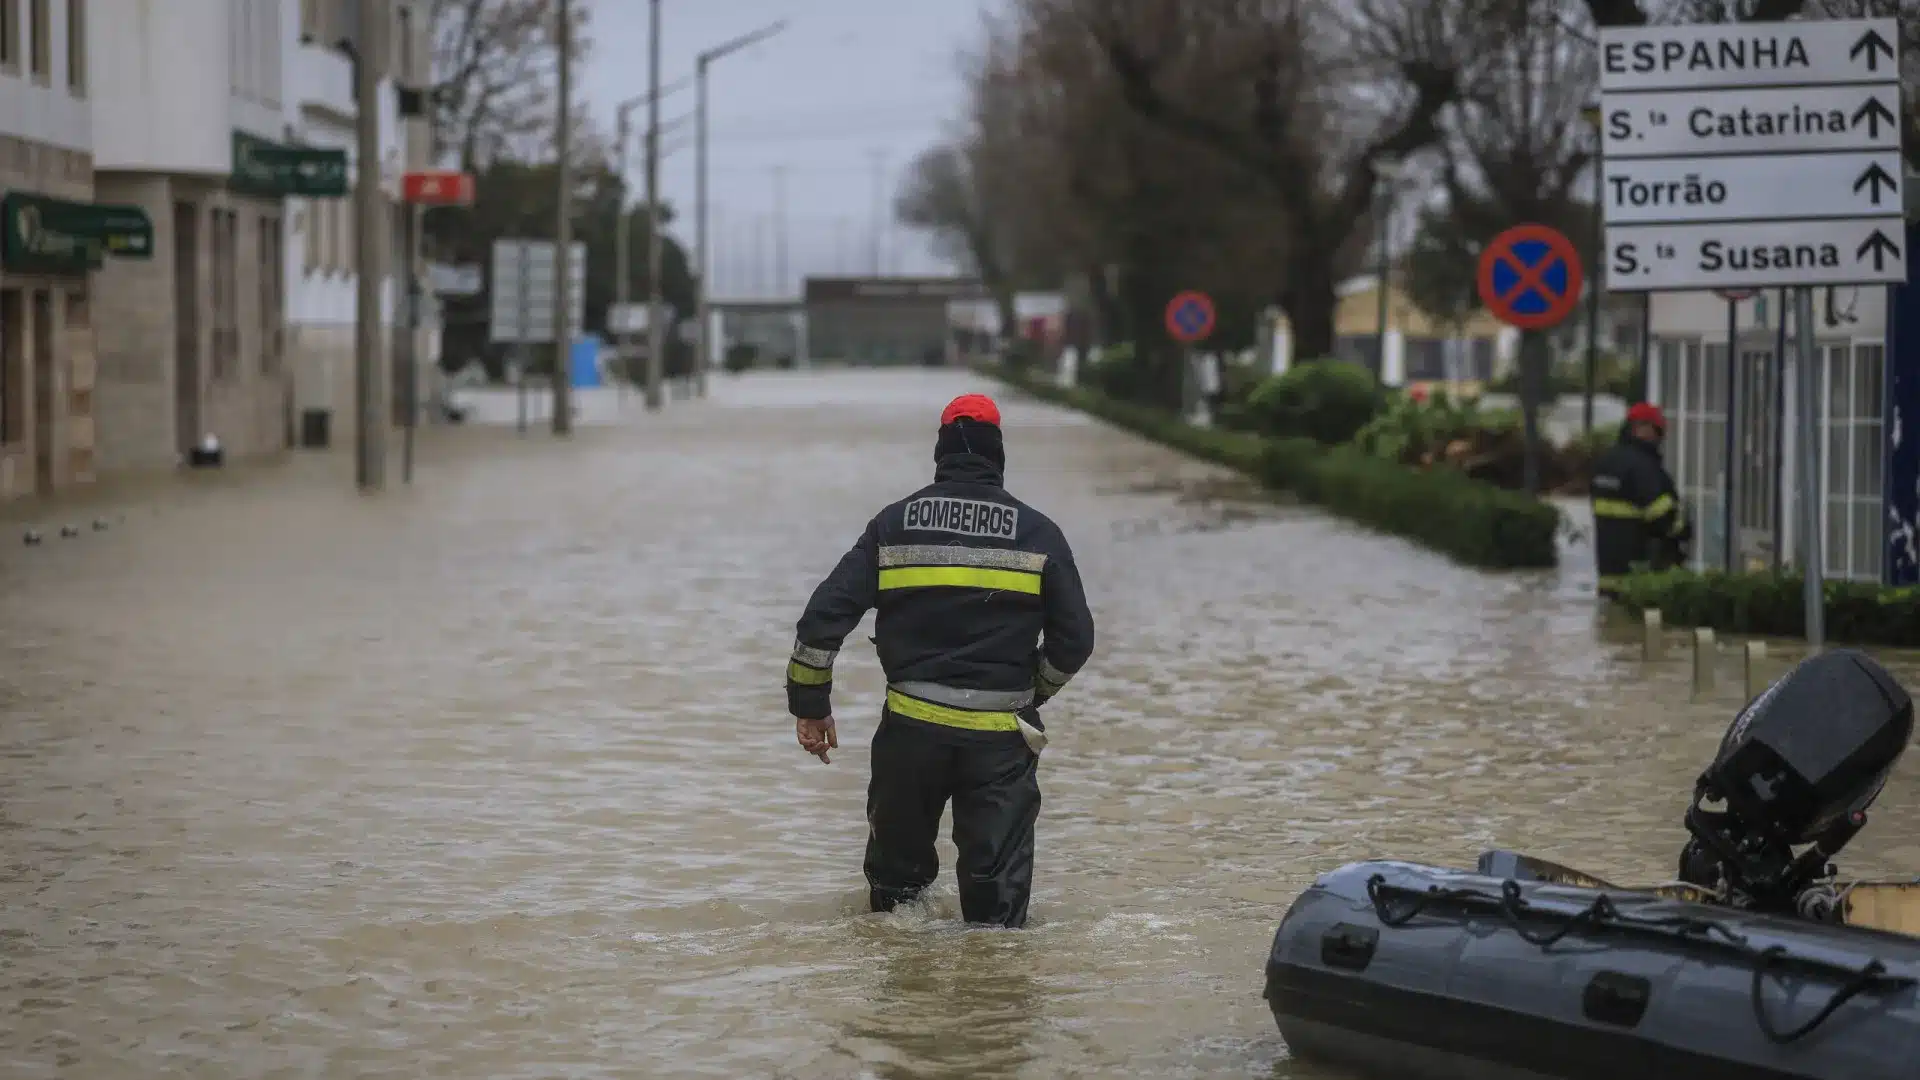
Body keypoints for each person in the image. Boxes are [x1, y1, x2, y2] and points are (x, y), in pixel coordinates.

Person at [785, 393, 1096, 929]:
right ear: (998, 454)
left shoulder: (892, 526)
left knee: (896, 902)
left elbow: (822, 618)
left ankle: (902, 980)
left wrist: (811, 705)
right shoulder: (1039, 534)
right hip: (1001, 742)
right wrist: (1034, 690)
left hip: (910, 735)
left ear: (941, 452)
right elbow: (1077, 640)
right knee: (997, 920)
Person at [1590, 401, 1691, 596]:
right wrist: (1683, 530)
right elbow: (1661, 515)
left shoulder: (1604, 462)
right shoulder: (1643, 466)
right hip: (1640, 571)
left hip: (1608, 573)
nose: (1660, 438)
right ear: (1641, 428)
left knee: (1612, 612)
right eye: (1657, 431)